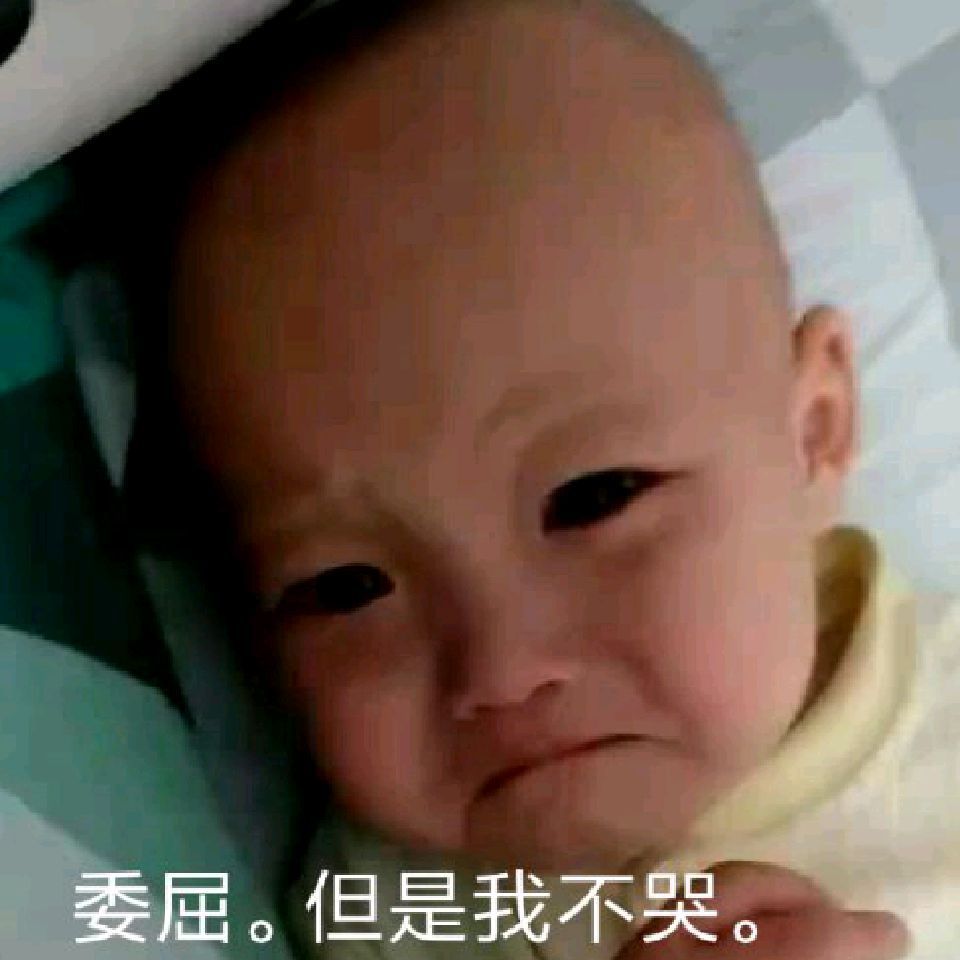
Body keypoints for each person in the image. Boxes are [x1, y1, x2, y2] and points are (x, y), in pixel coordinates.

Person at [157, 0, 959, 956]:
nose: (500, 672)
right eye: (346, 586)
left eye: (593, 498)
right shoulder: (382, 911)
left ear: (813, 434)